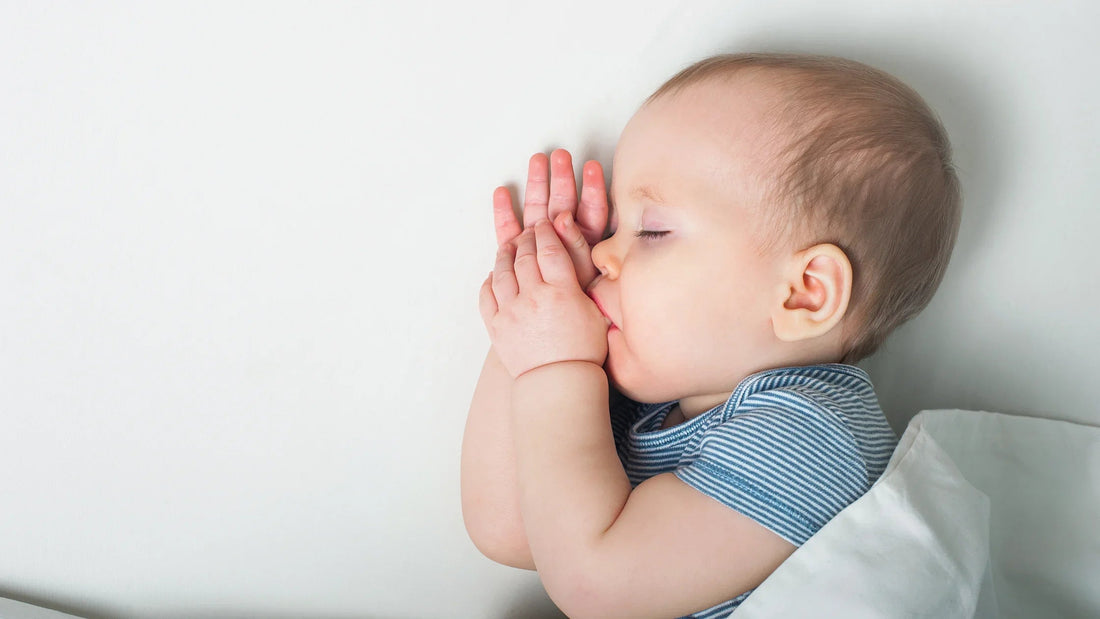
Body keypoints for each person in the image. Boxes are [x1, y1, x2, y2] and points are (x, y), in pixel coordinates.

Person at [461, 52, 961, 618]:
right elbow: (513, 532)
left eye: (651, 230)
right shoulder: (665, 399)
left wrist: (556, 368)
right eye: (620, 227)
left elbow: (595, 587)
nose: (602, 252)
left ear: (804, 294)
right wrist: (532, 324)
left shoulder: (811, 435)